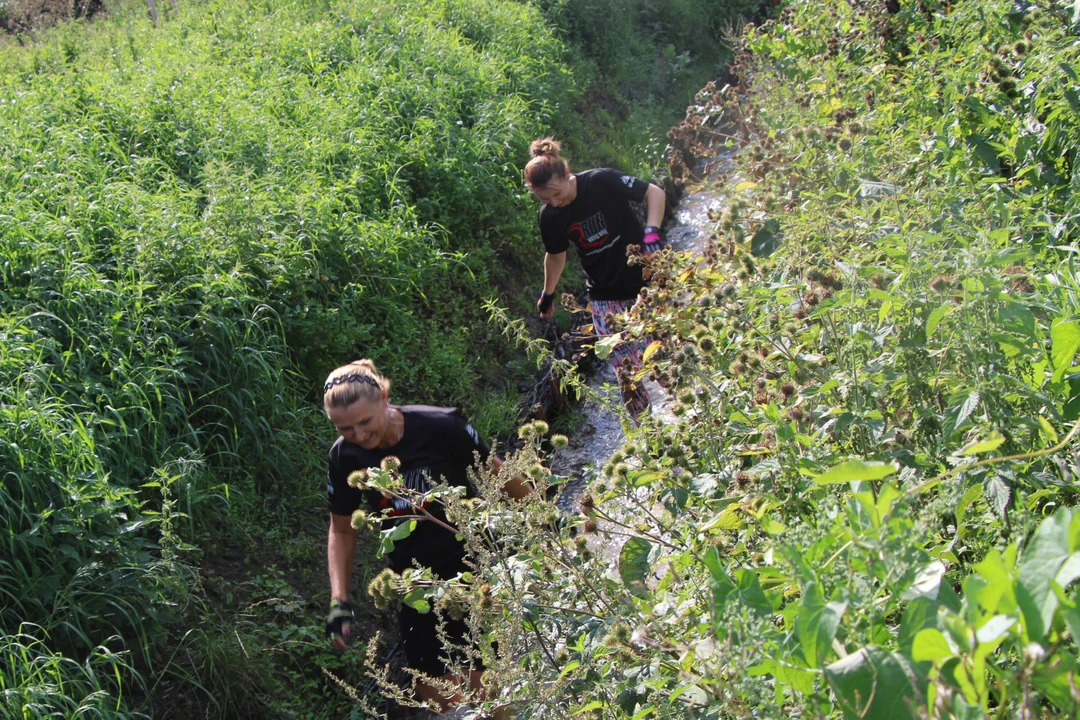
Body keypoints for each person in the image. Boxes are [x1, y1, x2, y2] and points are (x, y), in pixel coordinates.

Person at [322, 359, 529, 713]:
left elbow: (496, 473)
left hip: (471, 564)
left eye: (365, 422)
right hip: (413, 581)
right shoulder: (344, 457)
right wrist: (339, 599)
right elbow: (341, 529)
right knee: (435, 694)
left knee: (487, 687)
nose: (359, 436)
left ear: (385, 396)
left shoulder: (440, 427)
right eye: (345, 428)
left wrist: (544, 520)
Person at [525, 137, 666, 424]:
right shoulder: (550, 216)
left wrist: (651, 232)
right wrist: (548, 294)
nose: (554, 203)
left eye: (556, 193)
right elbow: (555, 255)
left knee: (663, 357)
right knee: (626, 373)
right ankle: (652, 436)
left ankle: (698, 416)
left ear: (567, 174)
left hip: (645, 282)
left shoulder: (601, 181)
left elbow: (654, 193)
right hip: (604, 296)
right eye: (545, 200)